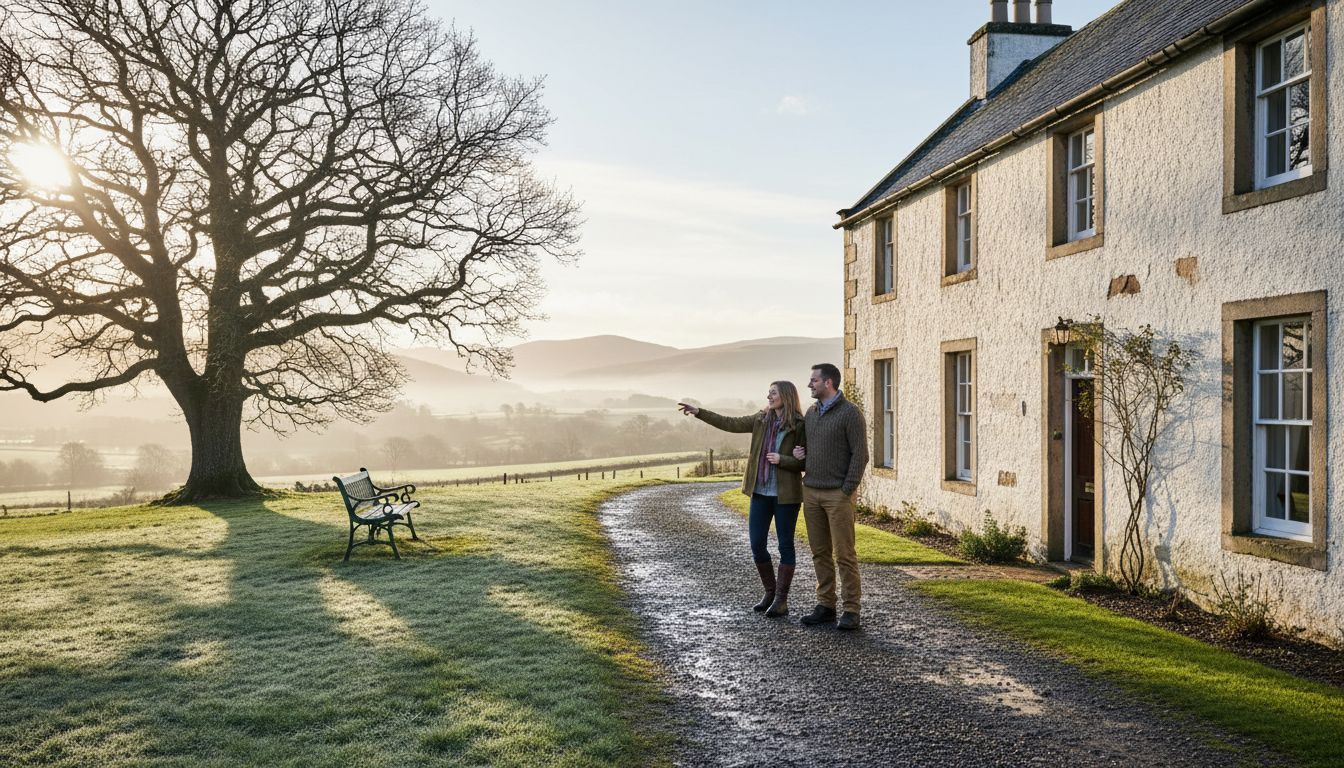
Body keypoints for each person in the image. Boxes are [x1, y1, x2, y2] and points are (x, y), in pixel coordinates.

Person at [678, 382, 806, 617]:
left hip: (786, 496)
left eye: (773, 392)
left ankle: (781, 600)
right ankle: (769, 592)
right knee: (757, 544)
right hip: (760, 492)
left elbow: (806, 461)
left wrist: (785, 459)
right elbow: (730, 423)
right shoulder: (760, 420)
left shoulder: (799, 425)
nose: (768, 396)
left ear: (786, 396)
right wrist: (700, 412)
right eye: (769, 392)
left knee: (785, 545)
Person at [792, 363, 868, 630]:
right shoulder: (811, 414)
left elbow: (860, 455)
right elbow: (813, 450)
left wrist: (847, 489)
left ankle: (851, 609)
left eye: (813, 380)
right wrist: (803, 458)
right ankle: (825, 604)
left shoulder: (850, 413)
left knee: (844, 554)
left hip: (838, 494)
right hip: (811, 492)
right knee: (819, 552)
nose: (809, 385)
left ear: (828, 383)